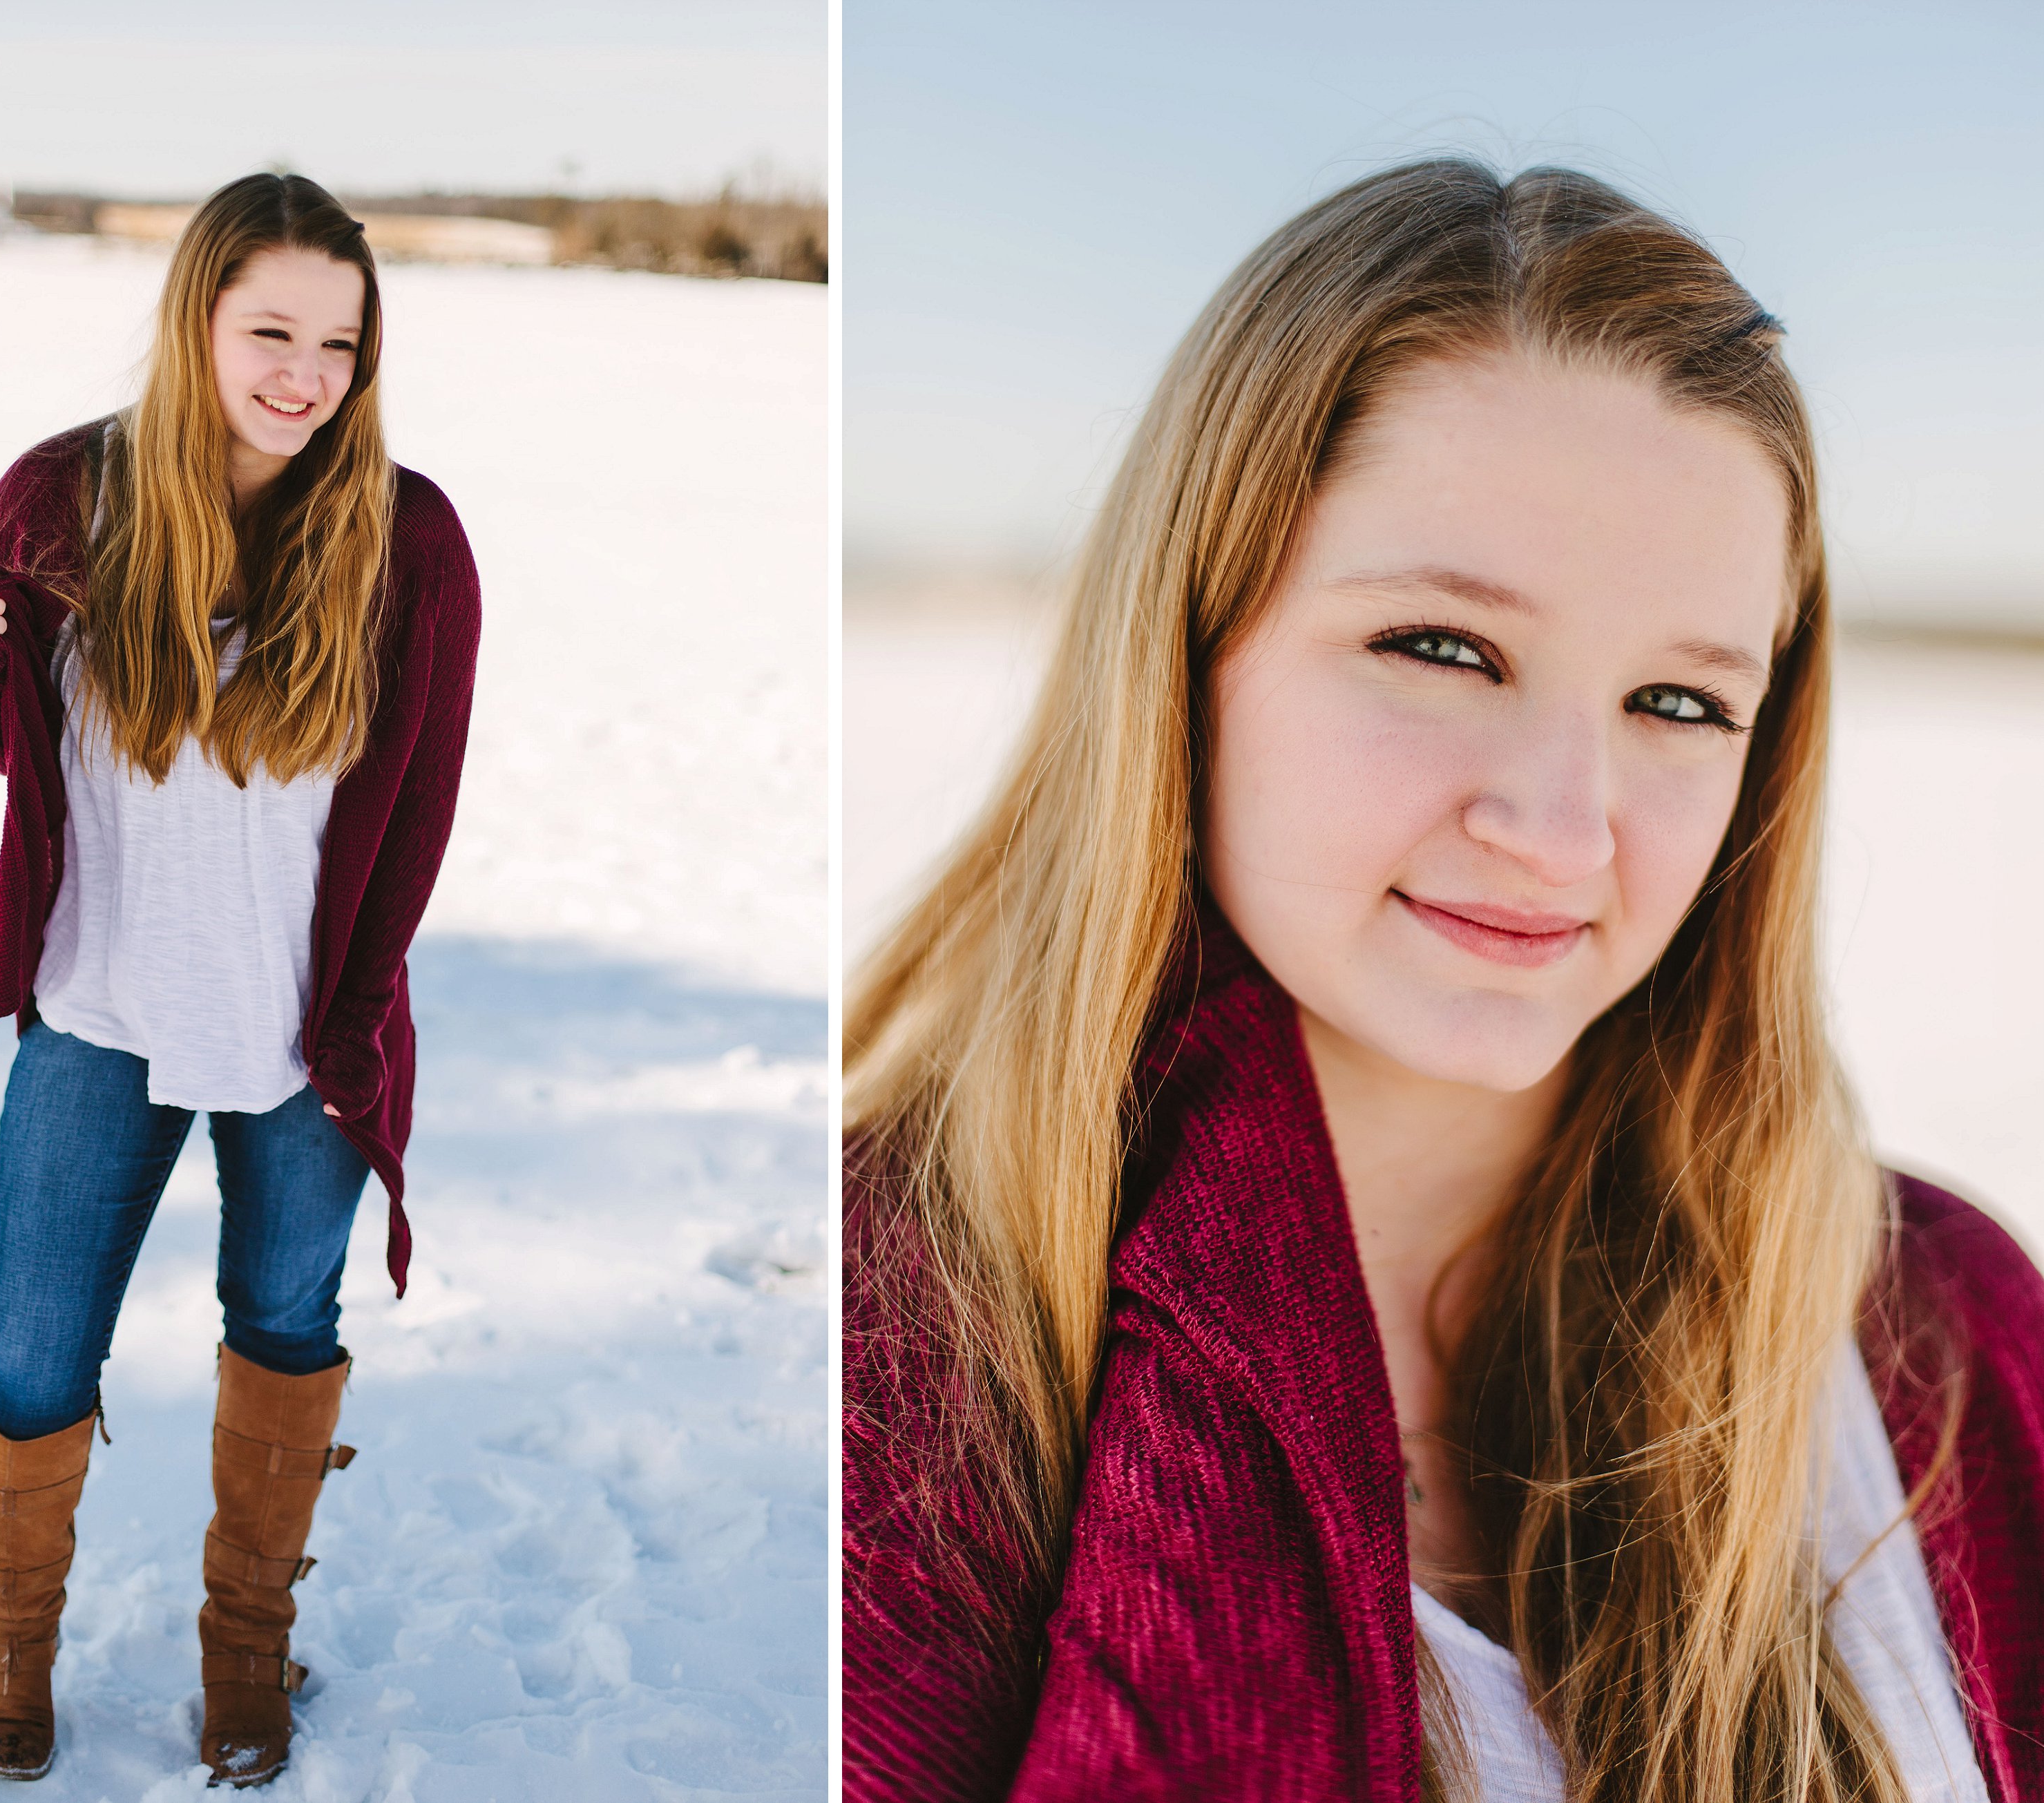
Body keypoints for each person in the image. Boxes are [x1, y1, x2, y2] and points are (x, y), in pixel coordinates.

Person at [843, 160, 2044, 1802]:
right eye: (1443, 650)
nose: (1560, 831)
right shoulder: (895, 1363)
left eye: (1680, 705)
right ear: (1189, 644)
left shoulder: (1935, 1331)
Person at [0, 171, 479, 1786]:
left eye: (338, 343)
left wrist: (357, 1026)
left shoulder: (405, 538)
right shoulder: (61, 502)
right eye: (271, 332)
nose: (305, 375)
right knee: (35, 1353)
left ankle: (246, 1646)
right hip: (99, 1010)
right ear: (198, 323)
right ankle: (13, 1653)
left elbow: (420, 804)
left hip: (301, 1031)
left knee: (285, 1323)